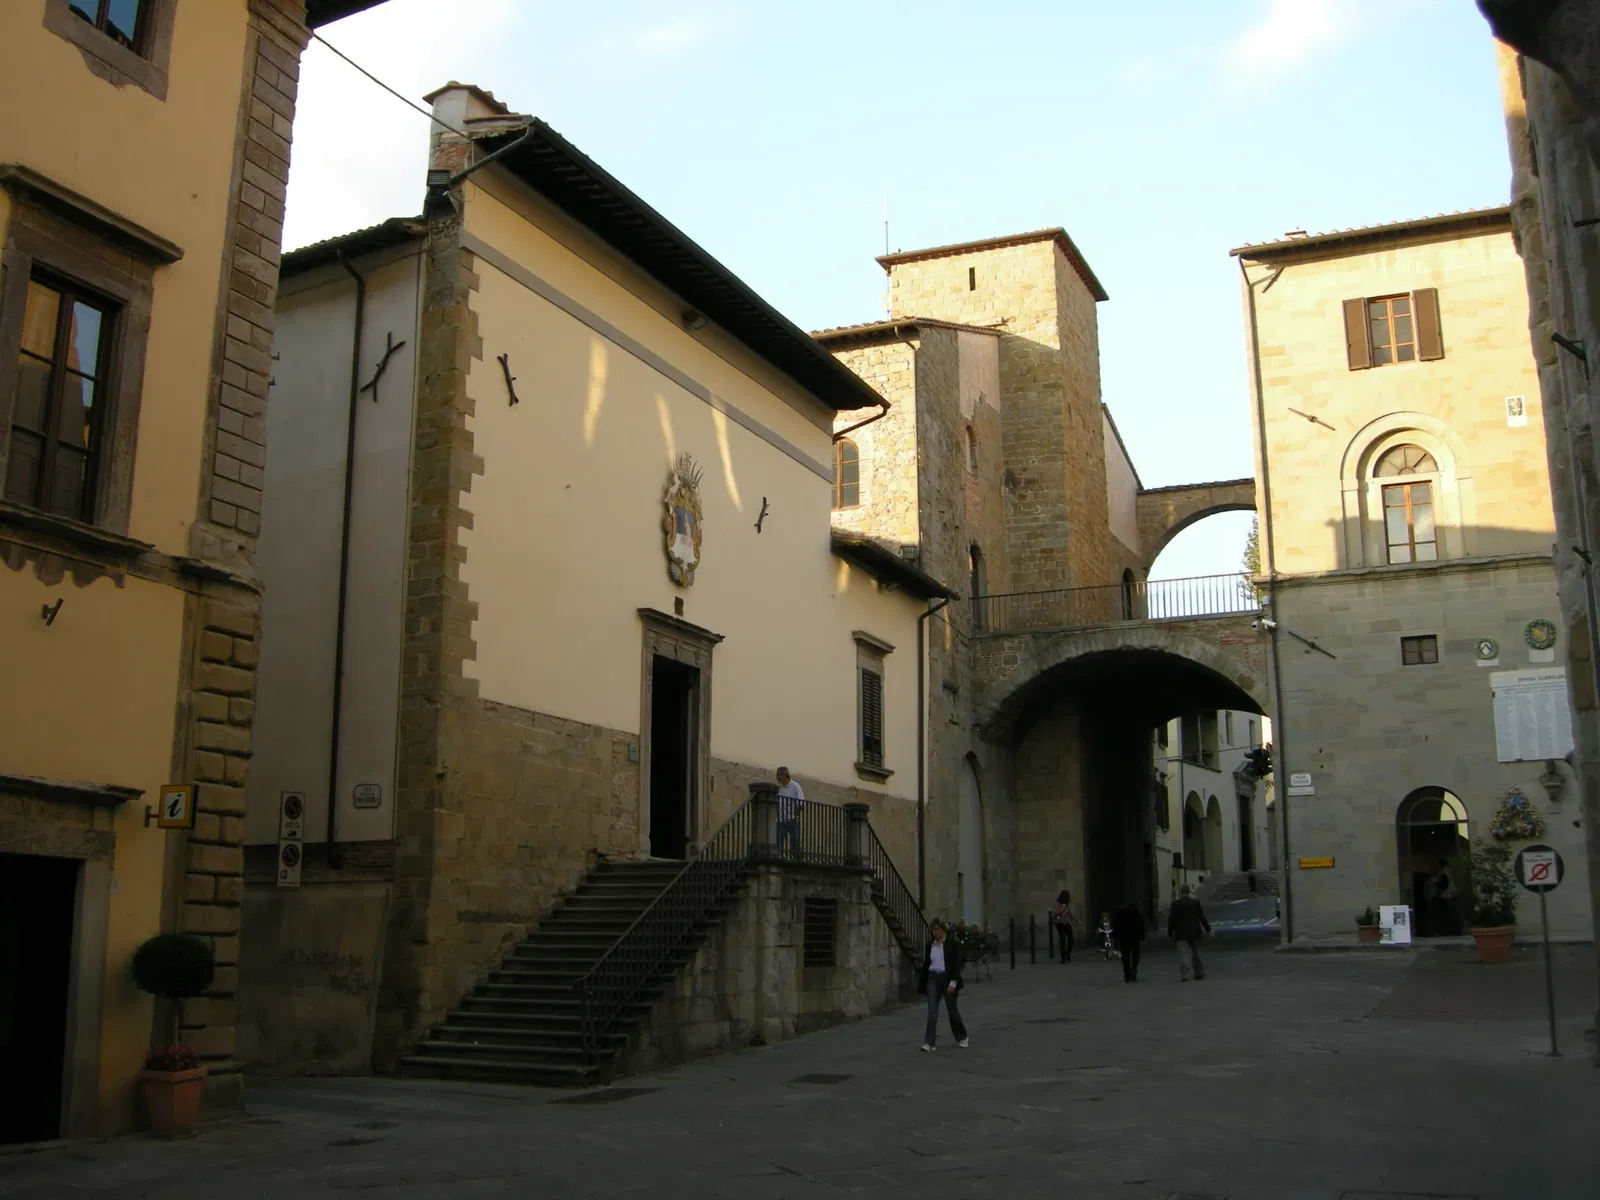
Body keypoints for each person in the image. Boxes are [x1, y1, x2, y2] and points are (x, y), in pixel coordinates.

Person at [918, 919, 968, 1051]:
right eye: (933, 929)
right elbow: (927, 962)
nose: (935, 932)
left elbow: (957, 964)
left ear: (943, 930)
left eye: (937, 929)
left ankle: (962, 1036)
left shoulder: (952, 944)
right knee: (932, 1012)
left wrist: (953, 982)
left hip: (947, 978)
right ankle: (929, 1042)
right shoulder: (930, 945)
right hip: (933, 978)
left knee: (952, 1010)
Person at [1167, 883, 1212, 980]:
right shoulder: (1195, 903)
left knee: (1183, 953)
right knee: (1196, 953)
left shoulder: (1175, 904)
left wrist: (1170, 932)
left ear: (1181, 892)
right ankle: (1198, 972)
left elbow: (1172, 920)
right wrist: (1208, 930)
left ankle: (1184, 973)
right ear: (1189, 892)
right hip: (1195, 932)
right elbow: (1202, 917)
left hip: (1181, 933)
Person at [1112, 900, 1145, 982]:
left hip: (1124, 937)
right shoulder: (1136, 912)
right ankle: (1133, 969)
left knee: (1125, 956)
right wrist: (1143, 936)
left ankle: (1127, 974)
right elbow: (1141, 924)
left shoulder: (1120, 913)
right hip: (1135, 937)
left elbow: (1115, 925)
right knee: (1135, 955)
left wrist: (1115, 936)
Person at [775, 767, 803, 857]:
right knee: (778, 841)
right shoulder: (779, 788)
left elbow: (800, 803)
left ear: (785, 775)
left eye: (779, 775)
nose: (777, 778)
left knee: (795, 841)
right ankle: (778, 857)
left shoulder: (795, 786)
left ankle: (795, 858)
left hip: (792, 819)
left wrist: (796, 816)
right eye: (777, 775)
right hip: (780, 820)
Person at [1051, 889, 1077, 963]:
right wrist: (1060, 911)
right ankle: (1063, 957)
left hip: (1066, 923)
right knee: (1063, 940)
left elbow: (1070, 914)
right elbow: (1056, 913)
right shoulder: (1059, 904)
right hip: (1060, 924)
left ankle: (1067, 953)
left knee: (1071, 940)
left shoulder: (1066, 905)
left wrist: (1075, 920)